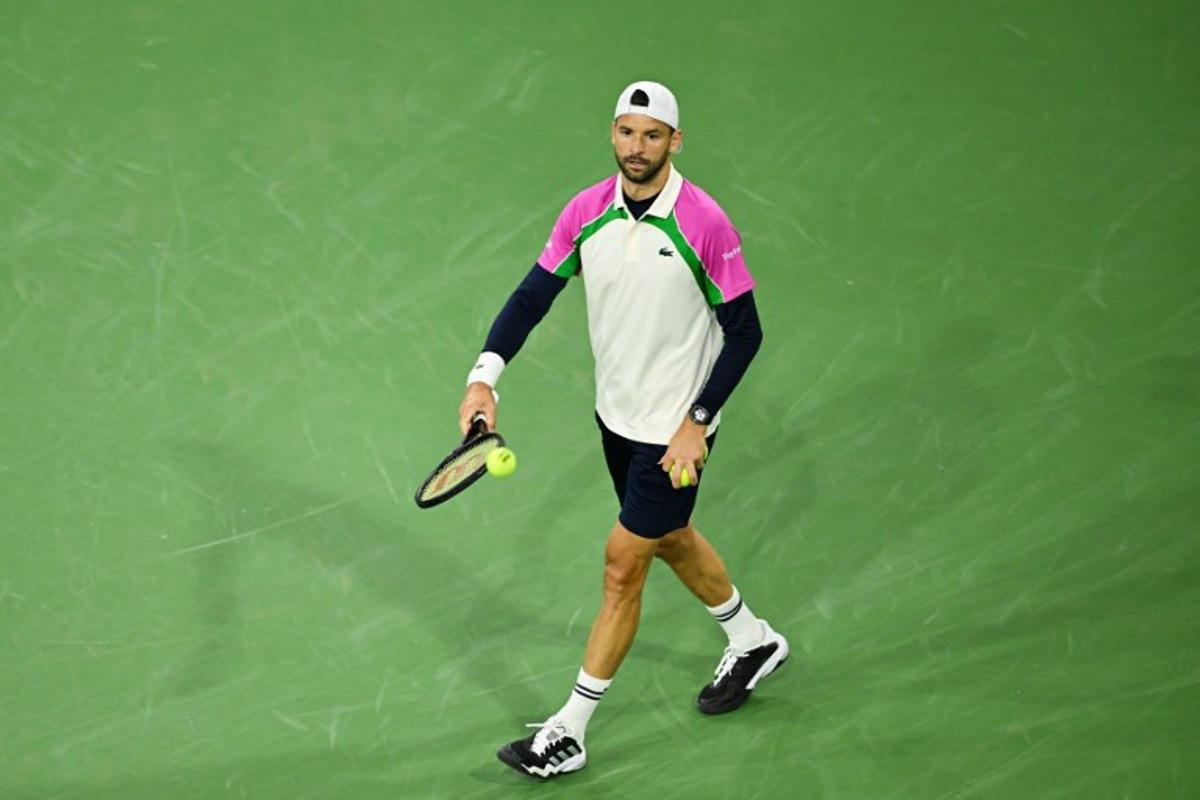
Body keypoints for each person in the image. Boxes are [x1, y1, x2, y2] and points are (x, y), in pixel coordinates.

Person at [457, 80, 788, 780]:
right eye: (626, 133)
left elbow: (745, 332)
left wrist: (697, 423)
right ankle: (753, 641)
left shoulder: (704, 222)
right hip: (618, 417)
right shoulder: (585, 212)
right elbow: (531, 296)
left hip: (676, 432)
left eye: (652, 135)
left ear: (675, 141)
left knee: (621, 563)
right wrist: (484, 377)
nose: (637, 148)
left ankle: (569, 730)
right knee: (667, 537)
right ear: (613, 133)